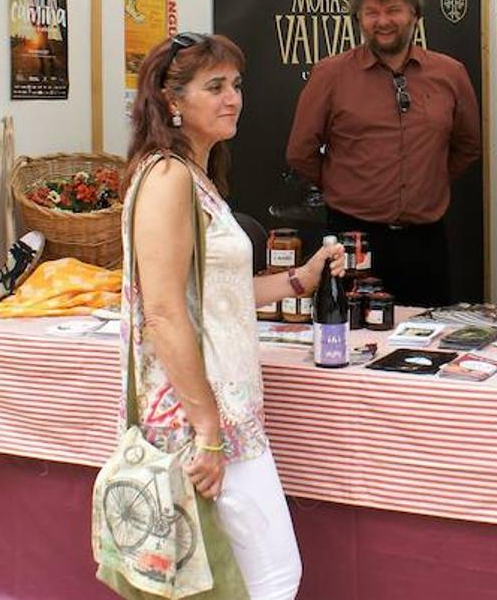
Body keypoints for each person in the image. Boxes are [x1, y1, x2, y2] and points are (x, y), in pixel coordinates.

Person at [124, 32, 344, 600]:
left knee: (232, 582)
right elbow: (166, 313)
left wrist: (303, 278)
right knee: (270, 578)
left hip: (226, 414)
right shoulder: (168, 177)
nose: (233, 98)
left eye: (236, 85)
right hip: (200, 420)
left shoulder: (196, 177)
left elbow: (216, 295)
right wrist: (207, 433)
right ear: (172, 102)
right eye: (215, 87)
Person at [286, 0, 482, 307]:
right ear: (358, 19)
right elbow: (301, 151)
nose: (383, 21)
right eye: (371, 12)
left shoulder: (451, 73)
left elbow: (468, 145)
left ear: (415, 16)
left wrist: (427, 179)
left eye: (393, 10)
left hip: (426, 241)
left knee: (426, 340)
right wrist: (344, 185)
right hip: (353, 238)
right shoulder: (330, 74)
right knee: (349, 336)